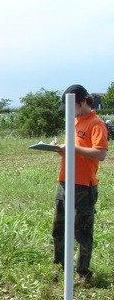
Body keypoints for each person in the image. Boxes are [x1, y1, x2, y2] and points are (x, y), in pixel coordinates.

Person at [51, 84, 108, 284]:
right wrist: (61, 149)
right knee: (58, 229)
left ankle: (82, 273)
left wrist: (73, 148)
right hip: (65, 182)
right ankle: (61, 268)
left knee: (82, 232)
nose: (69, 111)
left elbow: (100, 153)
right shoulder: (74, 122)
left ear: (83, 102)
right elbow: (73, 151)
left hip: (84, 186)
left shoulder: (96, 123)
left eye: (72, 106)